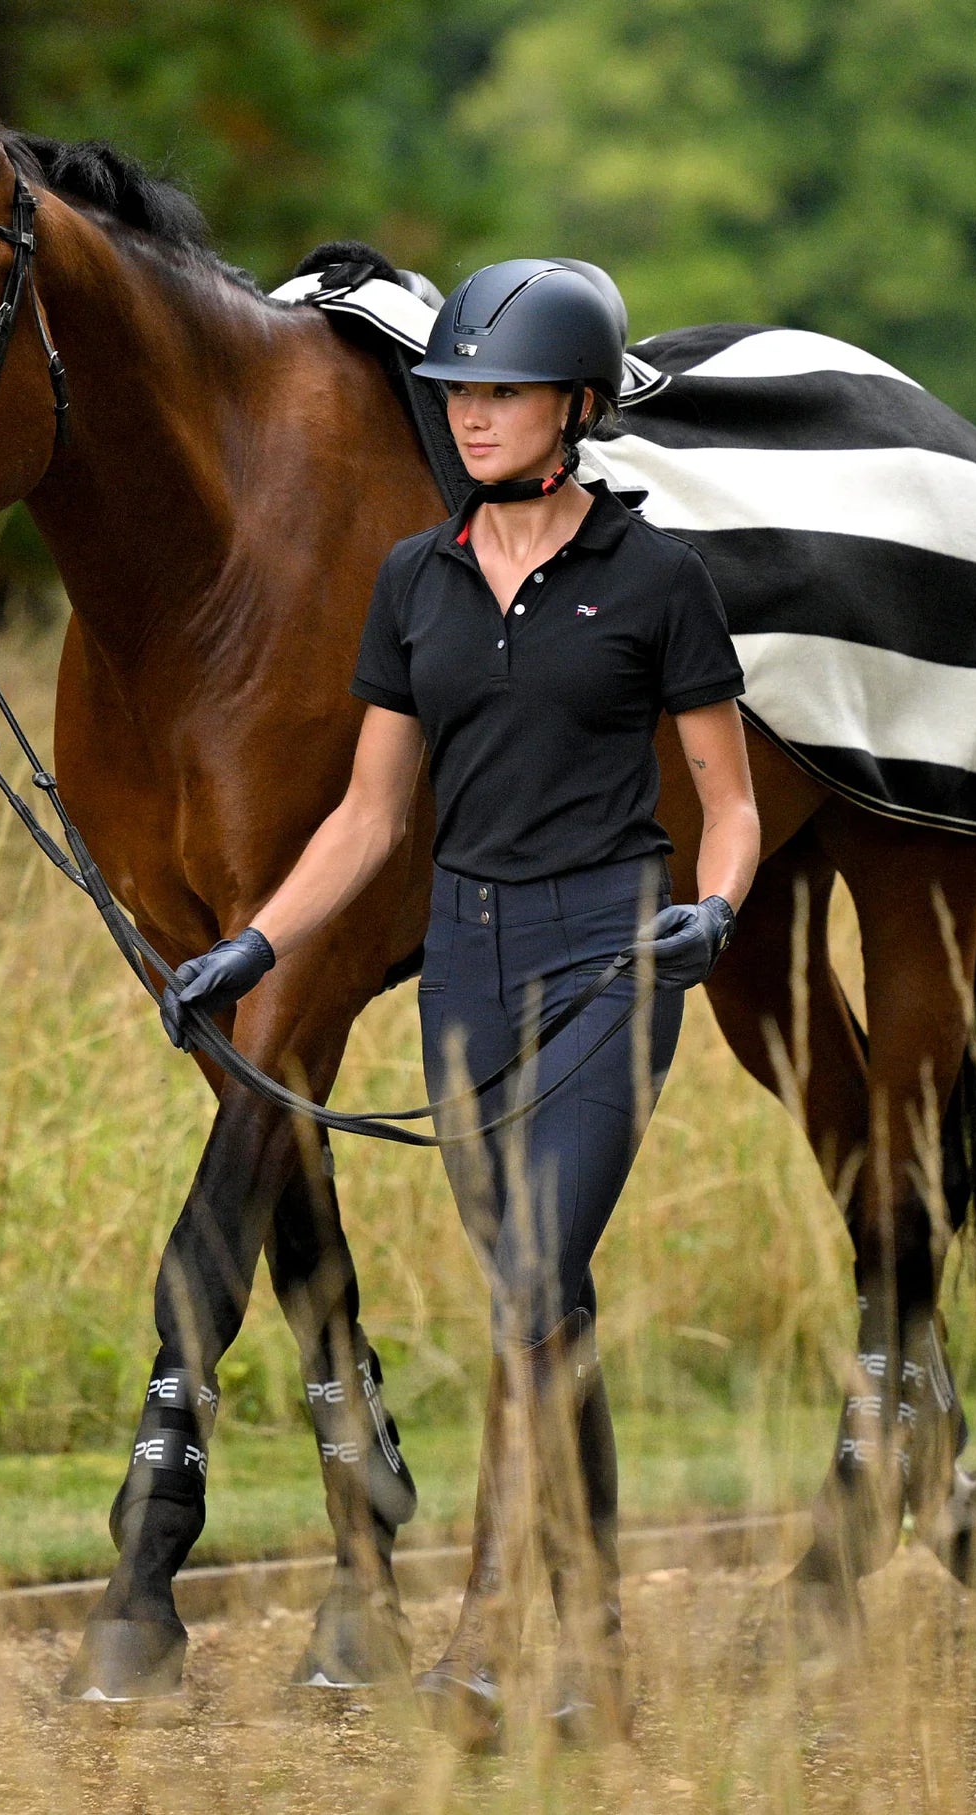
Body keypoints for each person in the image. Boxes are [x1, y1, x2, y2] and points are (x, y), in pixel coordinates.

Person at [160, 259, 760, 1747]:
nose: (470, 415)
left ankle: (486, 1640)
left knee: (525, 1283)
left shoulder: (657, 580)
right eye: (458, 393)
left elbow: (727, 800)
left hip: (610, 961)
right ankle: (602, 1639)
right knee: (545, 1310)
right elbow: (368, 821)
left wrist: (720, 909)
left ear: (575, 408)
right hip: (467, 972)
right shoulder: (412, 582)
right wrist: (257, 953)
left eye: (498, 393)